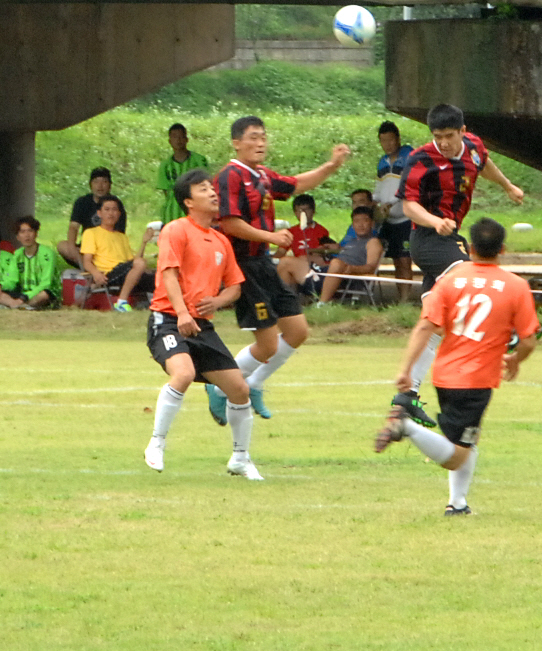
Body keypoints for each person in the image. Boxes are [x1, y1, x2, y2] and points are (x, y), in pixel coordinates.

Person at [373, 217, 540, 516]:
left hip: (445, 375)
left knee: (467, 439)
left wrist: (406, 370)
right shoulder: (516, 286)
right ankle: (406, 427)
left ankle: (458, 504)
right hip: (476, 379)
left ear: (470, 248)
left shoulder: (450, 280)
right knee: (456, 455)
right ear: (503, 249)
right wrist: (516, 359)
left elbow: (426, 326)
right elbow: (528, 340)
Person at [206, 116, 351, 422]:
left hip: (263, 263)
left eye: (263, 137)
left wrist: (331, 166)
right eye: (253, 137)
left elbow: (297, 184)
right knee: (268, 344)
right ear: (236, 143)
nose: (260, 143)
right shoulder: (230, 175)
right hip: (243, 265)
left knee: (298, 331)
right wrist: (270, 237)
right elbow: (229, 223)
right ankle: (219, 388)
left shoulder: (261, 175)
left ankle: (254, 384)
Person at [143, 167, 262, 480]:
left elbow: (234, 286)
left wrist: (218, 301)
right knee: (183, 373)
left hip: (202, 325)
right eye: (203, 189)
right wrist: (182, 313)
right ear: (188, 201)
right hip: (169, 320)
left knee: (239, 389)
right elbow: (169, 274)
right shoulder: (176, 230)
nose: (212, 193)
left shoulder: (220, 240)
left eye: (212, 187)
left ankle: (240, 458)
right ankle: (157, 443)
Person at [399, 103, 526, 389]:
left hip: (450, 237)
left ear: (462, 131)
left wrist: (507, 186)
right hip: (428, 239)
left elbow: (484, 164)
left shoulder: (473, 146)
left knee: (433, 324)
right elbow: (408, 205)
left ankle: (407, 395)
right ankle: (507, 333)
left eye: (449, 136)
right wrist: (434, 221)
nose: (443, 143)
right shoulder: (420, 159)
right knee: (472, 277)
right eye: (438, 136)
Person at [79, 195, 152, 309]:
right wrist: (96, 273)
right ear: (99, 213)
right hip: (108, 274)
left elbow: (134, 262)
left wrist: (144, 242)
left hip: (124, 272)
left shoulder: (122, 236)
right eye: (107, 209)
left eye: (114, 210)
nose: (111, 213)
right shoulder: (91, 233)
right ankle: (121, 302)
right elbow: (87, 261)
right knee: (140, 263)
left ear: (119, 214)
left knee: (158, 274)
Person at [375, 120, 415, 294]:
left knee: (405, 260)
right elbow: (379, 188)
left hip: (406, 218)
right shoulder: (382, 162)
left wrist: (391, 202)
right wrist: (372, 201)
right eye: (383, 141)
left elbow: (409, 186)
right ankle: (400, 297)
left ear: (398, 139)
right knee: (396, 260)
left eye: (390, 140)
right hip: (389, 220)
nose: (387, 144)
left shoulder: (410, 156)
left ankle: (406, 298)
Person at [61, 168, 124, 269]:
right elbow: (73, 227)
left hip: (106, 249)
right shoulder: (82, 202)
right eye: (96, 182)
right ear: (90, 185)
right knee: (63, 245)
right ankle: (87, 267)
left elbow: (118, 234)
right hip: (87, 248)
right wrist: (72, 248)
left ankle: (97, 267)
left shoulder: (115, 204)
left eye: (104, 182)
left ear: (110, 185)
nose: (100, 186)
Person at [320, 205, 383, 304]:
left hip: (349, 277)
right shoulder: (351, 241)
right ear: (352, 225)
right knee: (296, 261)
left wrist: (352, 269)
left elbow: (371, 267)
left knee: (336, 263)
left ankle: (322, 303)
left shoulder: (373, 242)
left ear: (372, 223)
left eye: (365, 221)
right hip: (331, 271)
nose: (360, 225)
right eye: (356, 221)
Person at [275, 193, 335, 294]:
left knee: (286, 263)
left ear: (313, 211)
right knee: (284, 265)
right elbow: (280, 252)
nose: (303, 214)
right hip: (297, 265)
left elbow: (321, 253)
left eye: (306, 210)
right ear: (295, 212)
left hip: (313, 266)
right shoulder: (291, 232)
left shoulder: (321, 231)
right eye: (299, 211)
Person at [157, 124, 210, 226]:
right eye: (175, 137)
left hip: (195, 211)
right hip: (172, 213)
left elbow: (205, 184)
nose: (178, 140)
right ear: (170, 141)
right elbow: (166, 191)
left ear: (187, 139)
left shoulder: (199, 160)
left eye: (181, 137)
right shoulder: (165, 165)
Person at [12, 216, 63, 309]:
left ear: (36, 234)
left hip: (43, 293)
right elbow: (11, 279)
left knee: (44, 295)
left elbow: (46, 283)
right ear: (18, 237)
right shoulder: (17, 254)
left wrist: (26, 296)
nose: (27, 235)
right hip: (23, 294)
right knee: (1, 293)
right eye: (22, 232)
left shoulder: (47, 254)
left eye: (30, 231)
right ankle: (20, 305)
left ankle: (20, 306)